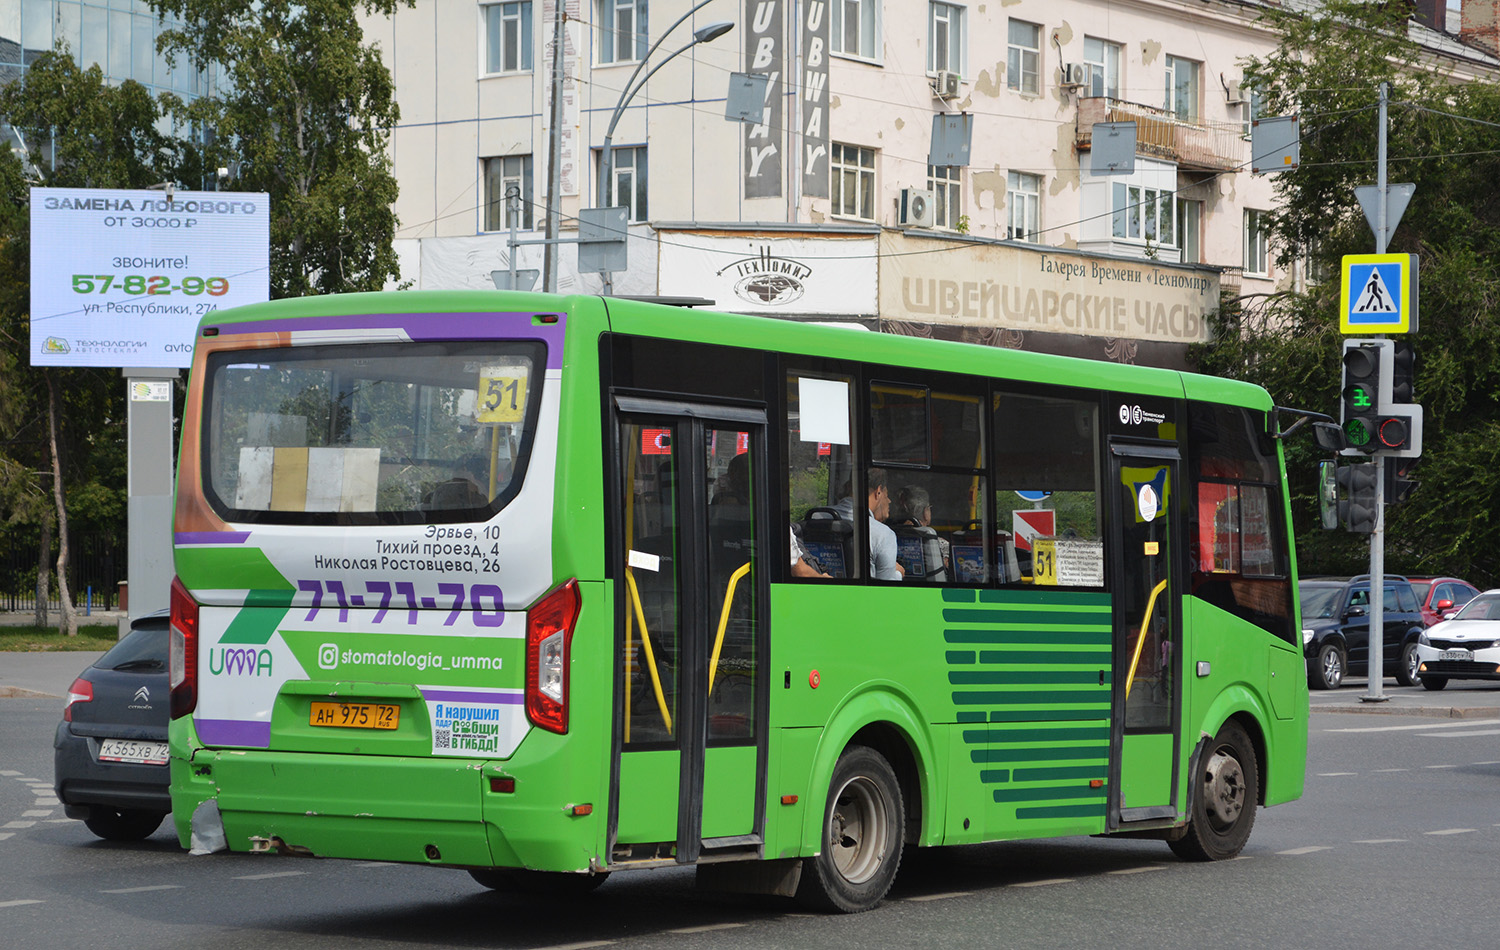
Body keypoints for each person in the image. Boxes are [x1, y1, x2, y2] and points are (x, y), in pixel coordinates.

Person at [834, 468, 904, 580]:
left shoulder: (816, 517)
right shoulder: (883, 534)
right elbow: (887, 590)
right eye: (886, 495)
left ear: (848, 487)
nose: (889, 501)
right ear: (879, 491)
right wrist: (897, 573)